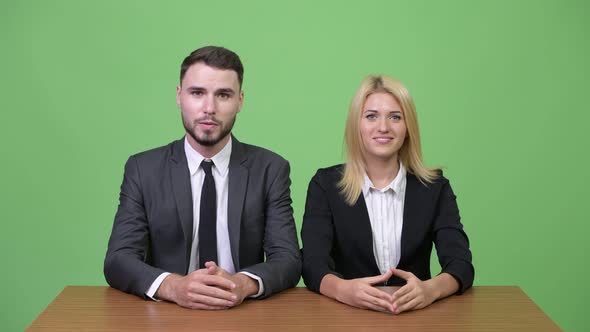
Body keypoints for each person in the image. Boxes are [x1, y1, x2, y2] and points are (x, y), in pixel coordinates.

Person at [104, 46, 301, 310]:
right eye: (197, 93)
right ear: (179, 96)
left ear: (240, 100)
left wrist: (242, 284)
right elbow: (119, 259)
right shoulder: (142, 169)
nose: (209, 108)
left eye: (223, 95)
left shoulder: (270, 169)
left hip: (243, 315)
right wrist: (174, 286)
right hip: (166, 315)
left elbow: (288, 258)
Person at [301, 75, 474, 314]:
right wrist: (343, 290)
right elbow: (312, 263)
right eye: (371, 116)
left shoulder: (435, 187)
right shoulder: (325, 185)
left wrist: (430, 290)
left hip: (416, 316)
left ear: (408, 128)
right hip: (345, 316)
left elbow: (461, 264)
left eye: (395, 117)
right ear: (356, 125)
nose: (383, 127)